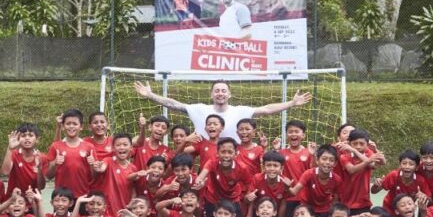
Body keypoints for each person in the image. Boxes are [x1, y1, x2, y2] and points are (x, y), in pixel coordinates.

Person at [132, 80, 311, 141]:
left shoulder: (240, 111)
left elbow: (266, 110)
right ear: (211, 94)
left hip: (233, 159)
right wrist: (151, 95)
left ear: (229, 94)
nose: (220, 93)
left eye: (223, 90)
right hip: (207, 160)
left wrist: (291, 103)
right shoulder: (200, 109)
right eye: (216, 90)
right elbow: (174, 104)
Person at [193, 138, 254, 217]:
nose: (226, 155)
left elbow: (249, 185)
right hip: (213, 198)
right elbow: (201, 176)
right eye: (223, 152)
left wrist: (248, 196)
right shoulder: (212, 162)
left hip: (233, 198)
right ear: (217, 153)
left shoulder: (242, 168)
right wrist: (199, 182)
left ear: (236, 154)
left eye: (230, 152)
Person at [337, 129, 385, 216]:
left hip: (364, 202)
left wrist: (375, 150)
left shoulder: (369, 153)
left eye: (362, 144)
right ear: (349, 144)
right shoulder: (344, 157)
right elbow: (351, 170)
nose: (358, 146)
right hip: (347, 201)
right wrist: (364, 158)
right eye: (355, 144)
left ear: (367, 145)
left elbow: (375, 164)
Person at [47, 109, 92, 198]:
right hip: (61, 198)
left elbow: (93, 176)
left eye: (75, 124)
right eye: (68, 124)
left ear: (81, 126)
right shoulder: (55, 147)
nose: (71, 126)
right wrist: (54, 164)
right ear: (63, 126)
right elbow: (49, 175)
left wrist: (93, 165)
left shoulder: (89, 147)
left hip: (82, 196)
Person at [371, 149, 424, 217]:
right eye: (404, 163)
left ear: (416, 167)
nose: (407, 166)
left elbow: (429, 199)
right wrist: (375, 185)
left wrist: (423, 196)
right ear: (400, 165)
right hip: (389, 210)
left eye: (411, 164)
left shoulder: (420, 180)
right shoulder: (393, 175)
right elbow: (374, 191)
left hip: (407, 211)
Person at [1, 123, 46, 200]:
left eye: (31, 135)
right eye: (23, 135)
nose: (27, 138)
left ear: (37, 139)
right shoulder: (13, 154)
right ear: (18, 139)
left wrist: (39, 168)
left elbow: (41, 186)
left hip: (33, 201)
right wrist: (9, 149)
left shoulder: (41, 157)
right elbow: (5, 171)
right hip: (13, 201)